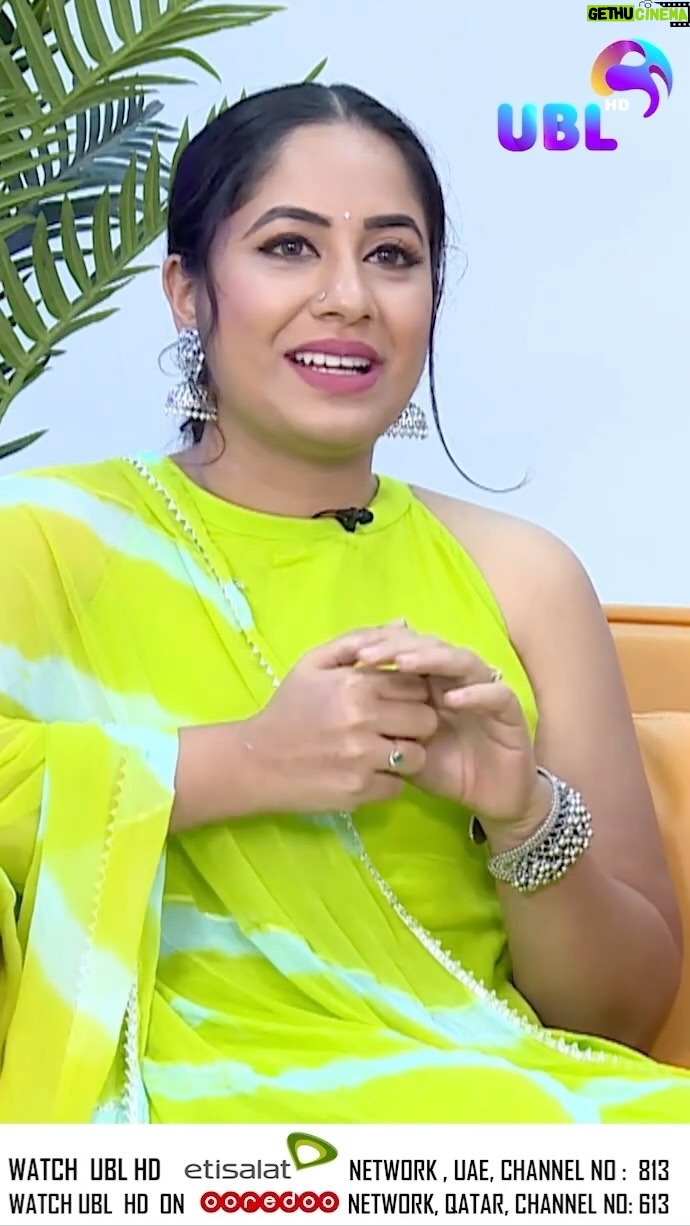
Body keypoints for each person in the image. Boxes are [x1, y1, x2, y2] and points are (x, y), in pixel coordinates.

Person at [0, 82, 688, 1126]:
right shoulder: (51, 541)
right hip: (173, 1116)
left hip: (496, 1113)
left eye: (393, 255)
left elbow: (620, 1017)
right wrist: (246, 761)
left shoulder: (524, 578)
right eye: (289, 247)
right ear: (187, 289)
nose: (349, 297)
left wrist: (522, 816)